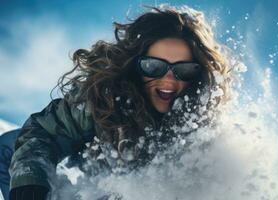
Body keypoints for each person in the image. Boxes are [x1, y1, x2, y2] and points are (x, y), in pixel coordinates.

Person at [5, 5, 230, 200]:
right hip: (92, 187)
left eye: (184, 70)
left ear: (198, 76)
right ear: (135, 66)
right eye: (154, 67)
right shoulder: (104, 100)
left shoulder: (205, 128)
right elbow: (44, 133)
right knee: (10, 147)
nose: (168, 81)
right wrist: (30, 183)